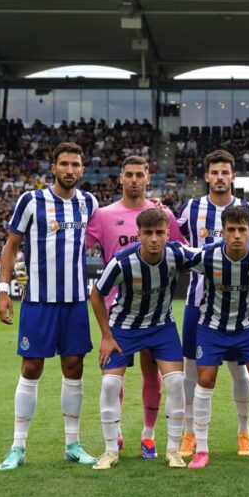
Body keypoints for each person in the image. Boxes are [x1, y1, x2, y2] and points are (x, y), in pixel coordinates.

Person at [0, 142, 98, 471]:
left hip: (74, 302)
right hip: (38, 301)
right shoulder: (31, 201)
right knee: (31, 369)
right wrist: (3, 288)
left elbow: (113, 226)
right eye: (64, 164)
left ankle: (72, 443)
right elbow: (11, 246)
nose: (70, 170)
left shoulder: (89, 203)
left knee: (74, 368)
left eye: (76, 164)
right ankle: (18, 447)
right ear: (53, 167)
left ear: (83, 169)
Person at [84, 155, 183, 460]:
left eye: (140, 174)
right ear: (121, 178)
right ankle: (116, 437)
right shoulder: (102, 215)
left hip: (154, 310)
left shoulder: (162, 213)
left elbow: (179, 251)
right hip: (118, 312)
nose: (135, 180)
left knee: (153, 374)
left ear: (147, 179)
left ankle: (149, 436)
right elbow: (79, 249)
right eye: (129, 174)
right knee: (115, 378)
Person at [176, 150, 249, 458]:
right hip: (198, 304)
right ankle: (190, 432)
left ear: (233, 176)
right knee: (193, 370)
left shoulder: (246, 209)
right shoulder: (192, 208)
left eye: (224, 172)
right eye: (213, 172)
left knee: (239, 370)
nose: (219, 177)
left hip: (240, 307)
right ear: (206, 177)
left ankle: (244, 432)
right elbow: (175, 242)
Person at [184, 206, 249, 469]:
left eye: (242, 229)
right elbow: (176, 260)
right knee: (205, 380)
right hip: (211, 326)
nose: (237, 235)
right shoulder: (207, 255)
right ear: (223, 232)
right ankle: (202, 449)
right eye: (231, 230)